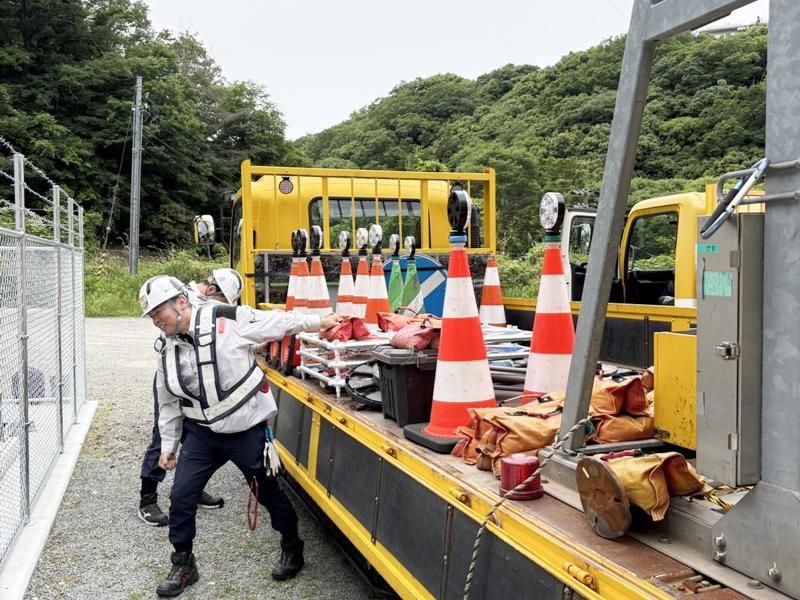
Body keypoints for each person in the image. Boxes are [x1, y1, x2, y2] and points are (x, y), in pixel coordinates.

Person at [139, 275, 339, 597]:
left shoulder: (226, 320)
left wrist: (318, 322)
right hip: (202, 436)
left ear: (181, 303)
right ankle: (183, 563)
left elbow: (278, 322)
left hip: (245, 430)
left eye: (158, 312)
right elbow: (168, 402)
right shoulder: (165, 348)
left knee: (268, 492)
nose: (155, 321)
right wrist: (168, 445)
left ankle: (292, 546)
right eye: (151, 316)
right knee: (181, 497)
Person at [138, 269, 245, 526]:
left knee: (196, 434)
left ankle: (191, 489)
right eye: (223, 301)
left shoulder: (198, 298)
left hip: (202, 375)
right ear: (212, 290)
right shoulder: (180, 297)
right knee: (163, 435)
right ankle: (147, 498)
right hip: (175, 375)